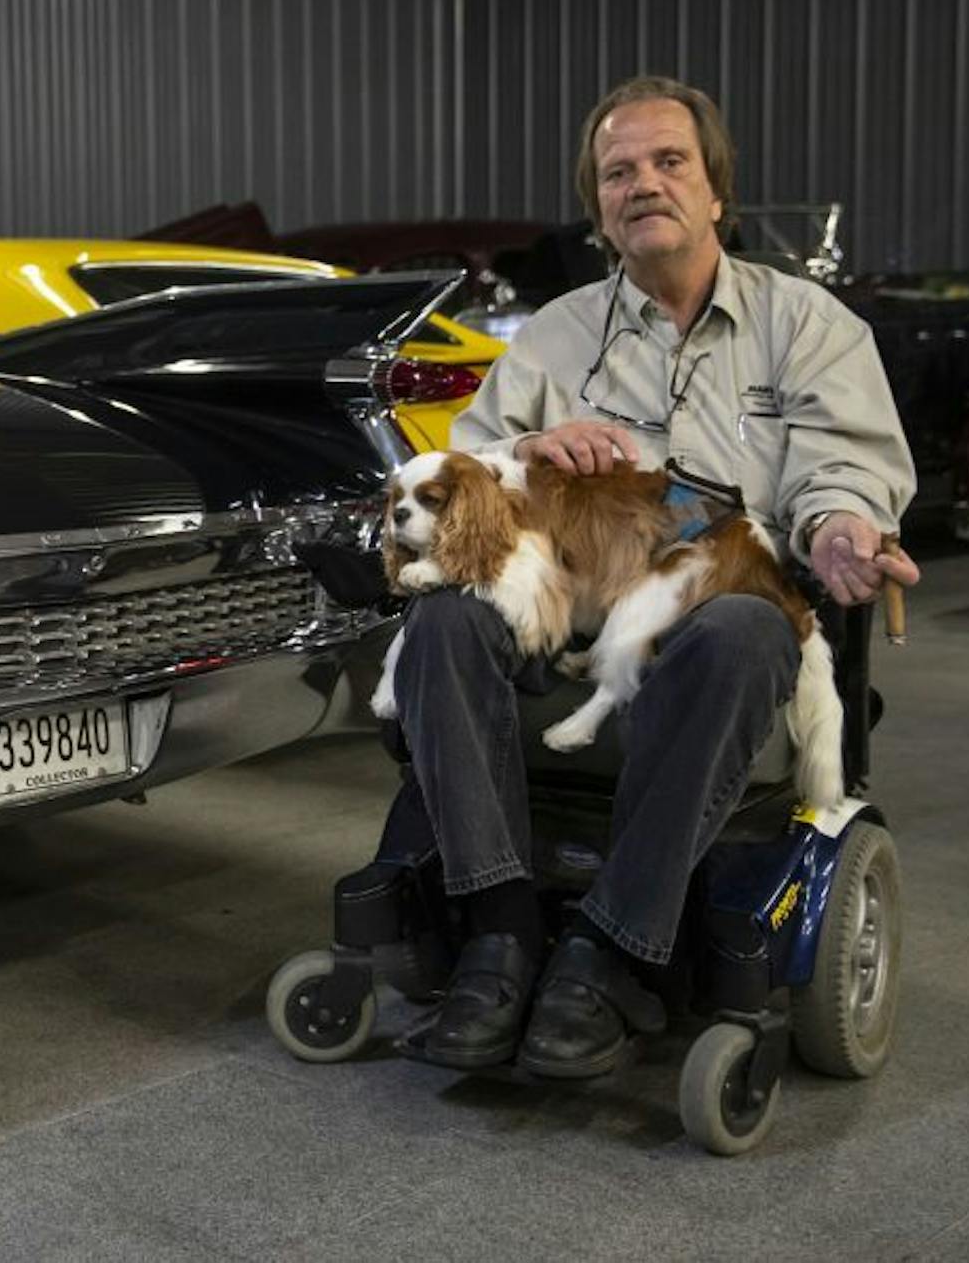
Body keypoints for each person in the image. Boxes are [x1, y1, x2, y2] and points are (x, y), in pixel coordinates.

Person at [388, 75, 920, 1077]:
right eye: (618, 172)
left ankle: (613, 952)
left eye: (670, 162)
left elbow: (845, 469)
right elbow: (466, 480)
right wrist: (535, 444)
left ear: (716, 189)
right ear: (598, 208)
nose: (645, 184)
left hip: (717, 608)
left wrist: (846, 527)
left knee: (744, 627)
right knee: (444, 625)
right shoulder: (554, 336)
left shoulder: (806, 325)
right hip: (563, 614)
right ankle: (500, 934)